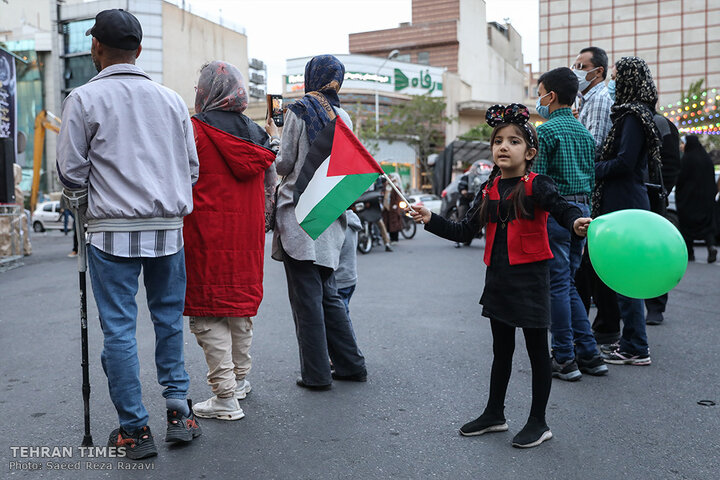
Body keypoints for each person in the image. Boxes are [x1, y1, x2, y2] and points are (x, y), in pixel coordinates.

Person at [56, 9, 201, 459]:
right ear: (139, 50)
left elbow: (70, 172)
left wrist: (85, 199)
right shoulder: (173, 100)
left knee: (118, 330)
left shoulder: (82, 99)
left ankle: (134, 429)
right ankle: (179, 410)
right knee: (166, 321)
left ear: (96, 47)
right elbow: (191, 169)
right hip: (168, 231)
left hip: (111, 232)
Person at [408, 104, 591, 449]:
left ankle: (539, 422)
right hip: (499, 281)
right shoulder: (489, 188)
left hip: (532, 280)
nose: (503, 147)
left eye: (514, 141)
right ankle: (495, 413)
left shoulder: (538, 184)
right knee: (501, 351)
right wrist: (429, 218)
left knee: (538, 352)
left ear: (530, 151)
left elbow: (562, 207)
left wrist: (575, 223)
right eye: (498, 141)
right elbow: (463, 231)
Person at [183, 61, 278, 421]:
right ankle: (239, 381)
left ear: (207, 93)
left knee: (208, 315)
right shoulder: (257, 136)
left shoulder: (193, 132)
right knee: (238, 309)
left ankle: (225, 397)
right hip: (247, 238)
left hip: (205, 236)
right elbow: (271, 188)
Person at [268, 55, 367, 390]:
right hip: (330, 215)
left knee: (306, 299)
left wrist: (273, 138)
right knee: (327, 292)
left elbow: (284, 165)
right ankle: (351, 364)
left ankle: (316, 374)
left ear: (312, 77)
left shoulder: (299, 110)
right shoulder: (344, 117)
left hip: (299, 215)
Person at [535, 67, 607, 381]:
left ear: (551, 96)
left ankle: (564, 357)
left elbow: (536, 182)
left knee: (557, 286)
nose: (538, 101)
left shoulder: (545, 132)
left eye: (540, 94)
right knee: (569, 284)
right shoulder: (585, 134)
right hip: (582, 211)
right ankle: (590, 354)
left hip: (556, 212)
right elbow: (592, 178)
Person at [591, 56, 659, 366]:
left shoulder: (632, 116)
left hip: (624, 202)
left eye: (616, 76)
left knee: (626, 276)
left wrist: (593, 168)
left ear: (628, 79)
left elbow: (624, 162)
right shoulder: (635, 114)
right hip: (625, 200)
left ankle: (636, 347)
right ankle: (632, 342)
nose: (612, 82)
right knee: (626, 275)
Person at [644, 109, 682, 325]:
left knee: (655, 253)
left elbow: (672, 164)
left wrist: (661, 190)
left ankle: (656, 305)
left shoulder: (661, 124)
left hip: (653, 197)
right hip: (637, 195)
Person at [676, 135, 718, 263]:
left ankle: (690, 253)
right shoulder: (706, 159)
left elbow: (681, 179)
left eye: (683, 143)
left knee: (687, 227)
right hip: (705, 201)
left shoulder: (687, 159)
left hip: (689, 200)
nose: (682, 146)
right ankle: (711, 246)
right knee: (707, 226)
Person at [573, 46, 614, 154]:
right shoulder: (586, 99)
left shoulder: (599, 99)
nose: (576, 71)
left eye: (581, 67)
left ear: (599, 71)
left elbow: (594, 146)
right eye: (574, 67)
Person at [336, 209, 362, 319]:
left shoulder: (336, 223)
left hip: (338, 279)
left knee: (341, 320)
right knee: (342, 315)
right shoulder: (352, 218)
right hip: (350, 277)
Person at [382, 173, 404, 243]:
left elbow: (398, 198)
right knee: (388, 223)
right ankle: (391, 238)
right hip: (386, 208)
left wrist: (396, 205)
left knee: (394, 224)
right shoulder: (385, 187)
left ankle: (395, 238)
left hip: (393, 209)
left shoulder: (395, 188)